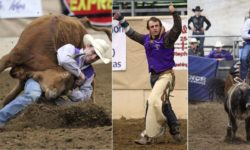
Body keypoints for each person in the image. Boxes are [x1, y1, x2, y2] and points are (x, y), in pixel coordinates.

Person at [0, 34, 110, 127]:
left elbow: (85, 95)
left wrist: (71, 93)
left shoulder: (90, 72)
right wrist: (80, 74)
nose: (93, 57)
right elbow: (64, 60)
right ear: (88, 46)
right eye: (93, 52)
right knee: (33, 94)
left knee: (71, 109)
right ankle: (1, 118)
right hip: (38, 80)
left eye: (97, 57)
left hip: (57, 94)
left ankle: (30, 118)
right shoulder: (70, 49)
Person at [114, 3, 183, 145]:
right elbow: (131, 33)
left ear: (160, 26)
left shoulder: (167, 38)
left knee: (152, 102)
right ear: (149, 29)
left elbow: (177, 29)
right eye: (152, 26)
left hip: (166, 76)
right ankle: (175, 129)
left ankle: (150, 133)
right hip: (154, 78)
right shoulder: (145, 39)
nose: (155, 28)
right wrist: (121, 20)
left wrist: (174, 13)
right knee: (162, 104)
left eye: (157, 25)